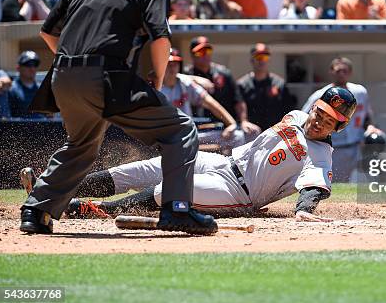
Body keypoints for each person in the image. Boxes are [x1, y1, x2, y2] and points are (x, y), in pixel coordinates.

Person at [20, 0, 217, 236]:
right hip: (106, 76)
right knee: (179, 129)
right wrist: (160, 81)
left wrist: (75, 65)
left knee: (82, 145)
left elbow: (48, 32)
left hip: (62, 76)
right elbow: (160, 38)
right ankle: (177, 209)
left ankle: (36, 210)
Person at [22, 87, 358, 223]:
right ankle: (47, 191)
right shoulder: (298, 116)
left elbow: (314, 187)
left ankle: (90, 210)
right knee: (147, 167)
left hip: (239, 194)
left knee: (165, 192)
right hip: (224, 163)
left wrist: (305, 210)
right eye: (321, 111)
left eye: (330, 120)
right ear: (314, 106)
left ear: (338, 127)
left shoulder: (320, 156)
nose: (320, 120)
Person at [302, 57, 382, 182]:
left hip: (357, 146)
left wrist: (371, 126)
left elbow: (368, 115)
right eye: (338, 71)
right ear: (331, 72)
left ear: (350, 72)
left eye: (345, 71)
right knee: (335, 183)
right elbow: (304, 116)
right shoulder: (322, 95)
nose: (341, 74)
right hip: (334, 148)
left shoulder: (360, 92)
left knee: (379, 141)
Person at [159, 48, 244, 149]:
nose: (172, 67)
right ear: (161, 65)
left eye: (175, 64)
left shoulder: (185, 82)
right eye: (169, 64)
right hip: (167, 136)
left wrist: (231, 123)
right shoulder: (155, 87)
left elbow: (210, 103)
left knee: (237, 136)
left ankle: (232, 164)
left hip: (190, 132)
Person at [184, 36, 262, 139]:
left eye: (208, 50)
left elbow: (238, 100)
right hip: (196, 129)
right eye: (200, 52)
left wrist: (244, 121)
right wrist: (194, 79)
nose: (205, 55)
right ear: (192, 56)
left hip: (224, 128)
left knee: (249, 134)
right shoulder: (186, 75)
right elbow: (176, 78)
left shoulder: (223, 73)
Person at [237, 43, 295, 131]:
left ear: (269, 60)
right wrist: (244, 122)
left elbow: (288, 110)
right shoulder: (242, 85)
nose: (262, 60)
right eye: (258, 57)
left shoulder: (279, 83)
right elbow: (239, 109)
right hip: (251, 133)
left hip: (275, 132)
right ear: (252, 60)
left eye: (265, 57)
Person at [8, 51, 45, 119]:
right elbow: (7, 118)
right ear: (18, 68)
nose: (32, 68)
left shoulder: (42, 89)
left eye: (35, 65)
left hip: (42, 127)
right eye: (28, 65)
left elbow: (49, 116)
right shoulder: (11, 89)